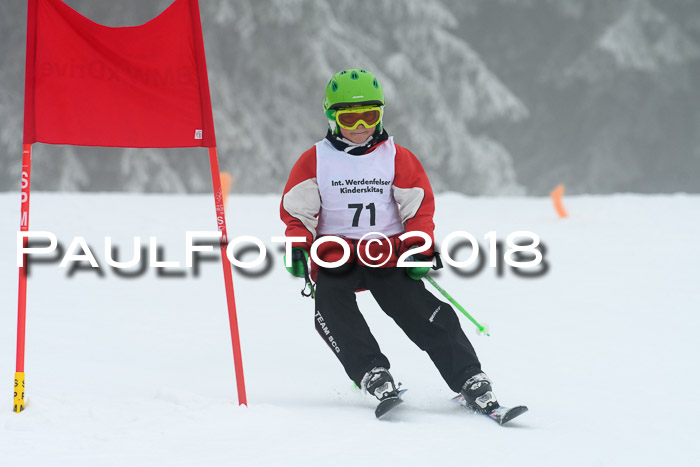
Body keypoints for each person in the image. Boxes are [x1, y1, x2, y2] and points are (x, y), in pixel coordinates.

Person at [280, 68, 501, 416]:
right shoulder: (315, 160)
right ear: (332, 117)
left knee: (420, 310)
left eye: (370, 115)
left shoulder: (397, 158)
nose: (359, 125)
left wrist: (418, 248)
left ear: (381, 114)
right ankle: (372, 371)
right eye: (349, 117)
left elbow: (418, 209)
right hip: (336, 257)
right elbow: (298, 213)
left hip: (385, 255)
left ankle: (469, 377)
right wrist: (297, 245)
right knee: (329, 305)